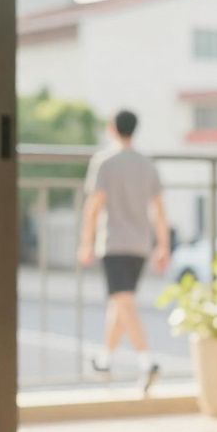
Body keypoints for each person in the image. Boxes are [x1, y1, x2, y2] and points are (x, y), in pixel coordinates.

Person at [79, 109, 170, 390]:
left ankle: (147, 362)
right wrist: (163, 244)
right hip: (140, 245)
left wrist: (85, 242)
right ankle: (104, 360)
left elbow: (93, 207)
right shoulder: (147, 165)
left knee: (124, 303)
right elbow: (158, 210)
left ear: (111, 128)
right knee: (120, 303)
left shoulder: (105, 162)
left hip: (114, 244)